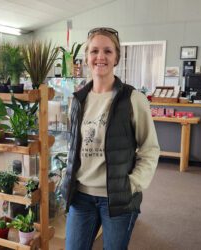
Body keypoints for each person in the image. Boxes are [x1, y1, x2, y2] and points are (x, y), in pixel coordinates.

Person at [61, 27, 160, 250]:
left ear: (116, 58)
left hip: (117, 198)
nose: (100, 57)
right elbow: (74, 146)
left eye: (107, 51)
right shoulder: (78, 100)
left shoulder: (134, 99)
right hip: (81, 196)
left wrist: (133, 184)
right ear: (87, 58)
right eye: (94, 51)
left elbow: (150, 148)